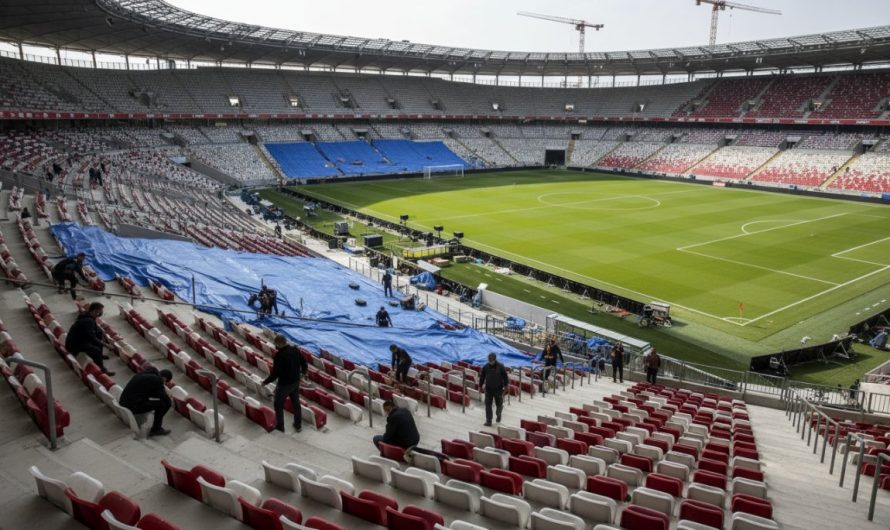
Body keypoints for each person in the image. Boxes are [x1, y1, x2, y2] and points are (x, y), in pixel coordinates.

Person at [262, 335, 309, 433]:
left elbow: (275, 374)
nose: (275, 346)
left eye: (276, 344)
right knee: (296, 404)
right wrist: (303, 374)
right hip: (295, 382)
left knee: (278, 405)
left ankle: (280, 427)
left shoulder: (279, 356)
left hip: (284, 385)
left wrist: (265, 382)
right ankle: (298, 424)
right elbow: (304, 363)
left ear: (279, 344)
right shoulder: (295, 350)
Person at [119, 366, 173, 436]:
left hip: (124, 402)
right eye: (165, 382)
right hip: (132, 406)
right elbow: (166, 400)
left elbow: (150, 392)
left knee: (160, 402)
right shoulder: (157, 380)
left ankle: (156, 425)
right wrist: (168, 396)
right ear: (164, 378)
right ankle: (156, 429)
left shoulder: (144, 374)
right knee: (162, 404)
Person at [65, 302, 114, 376]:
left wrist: (105, 338)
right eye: (100, 311)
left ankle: (100, 356)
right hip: (74, 344)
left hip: (79, 339)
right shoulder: (88, 321)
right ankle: (102, 369)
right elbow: (92, 338)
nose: (101, 313)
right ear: (95, 311)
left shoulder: (87, 315)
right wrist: (106, 345)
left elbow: (96, 329)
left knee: (99, 333)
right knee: (96, 350)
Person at [479, 352, 508, 426]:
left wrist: (506, 386)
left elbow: (505, 377)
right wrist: (480, 386)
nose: (490, 361)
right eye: (489, 360)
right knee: (488, 405)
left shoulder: (501, 366)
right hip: (488, 389)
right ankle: (489, 421)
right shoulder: (485, 367)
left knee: (499, 404)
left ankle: (498, 414)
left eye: (491, 360)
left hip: (498, 389)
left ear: (495, 359)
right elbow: (482, 377)